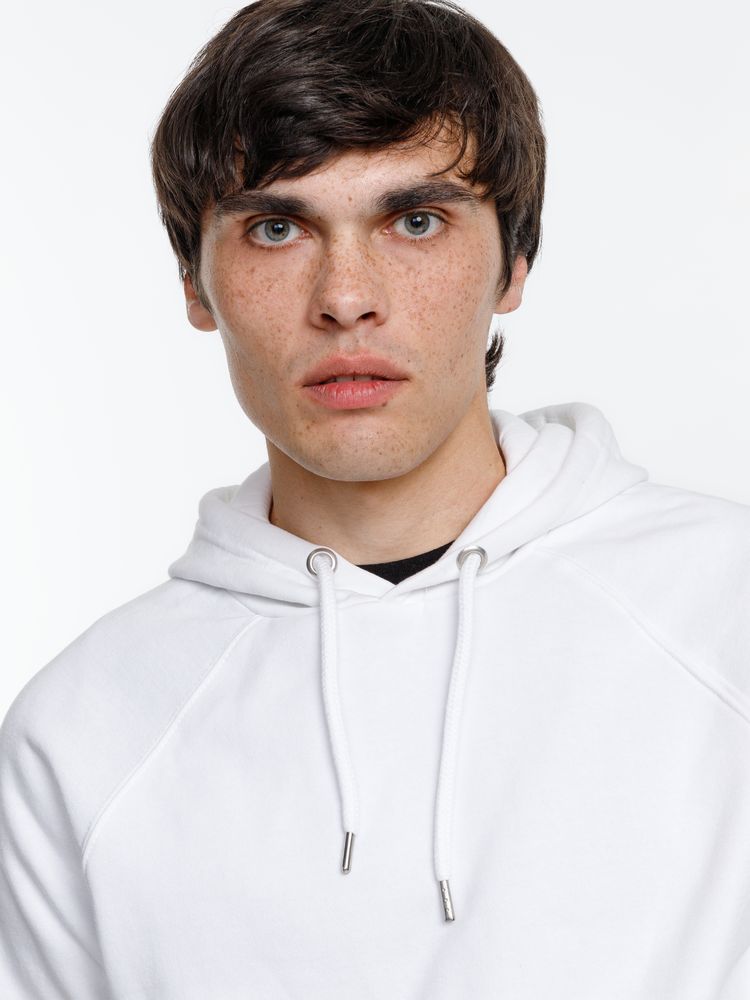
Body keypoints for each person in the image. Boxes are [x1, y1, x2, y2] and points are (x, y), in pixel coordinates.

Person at [1, 0, 749, 995]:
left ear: (515, 262)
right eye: (277, 227)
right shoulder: (82, 731)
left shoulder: (725, 612)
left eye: (416, 220)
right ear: (194, 281)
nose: (347, 297)